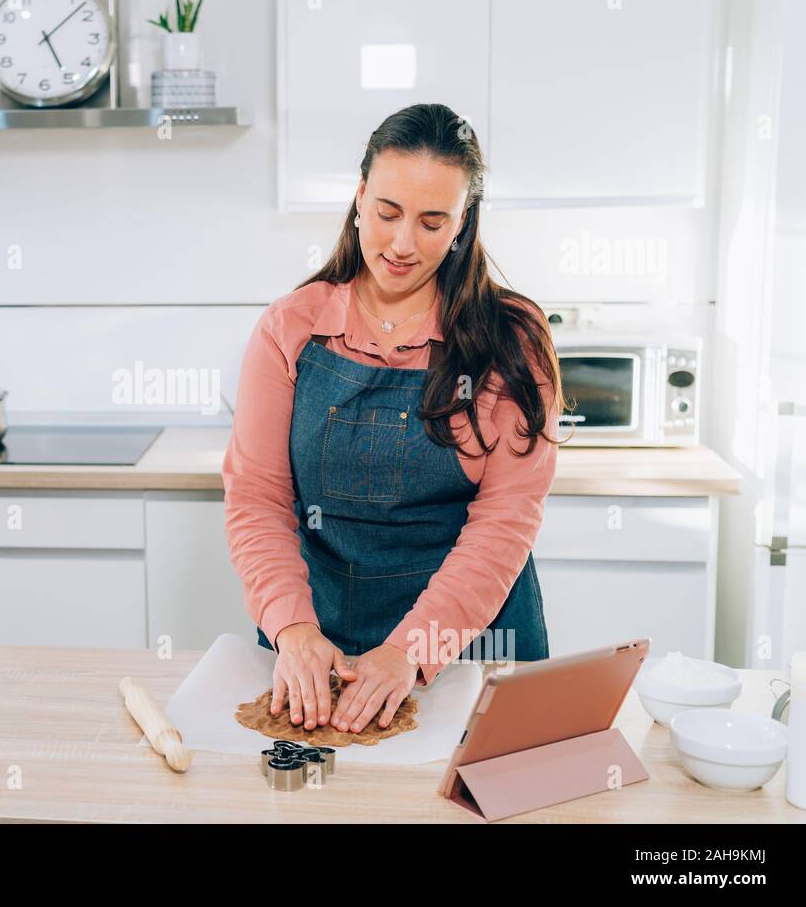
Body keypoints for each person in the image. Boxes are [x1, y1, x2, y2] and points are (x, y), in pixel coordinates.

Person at [222, 102, 564, 735]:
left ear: (464, 222)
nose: (403, 244)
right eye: (387, 213)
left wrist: (413, 649)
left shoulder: (511, 339)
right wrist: (292, 627)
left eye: (433, 221)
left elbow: (505, 520)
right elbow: (258, 498)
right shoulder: (289, 328)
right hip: (323, 643)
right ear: (358, 198)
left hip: (475, 645)